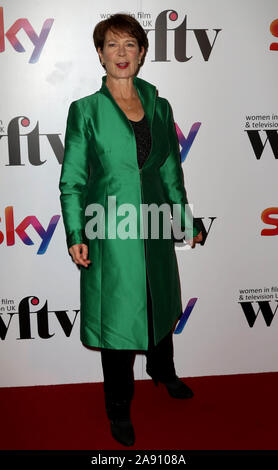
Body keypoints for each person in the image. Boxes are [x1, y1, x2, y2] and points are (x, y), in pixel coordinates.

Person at [59, 13, 202, 447]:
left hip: (155, 224)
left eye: (130, 45)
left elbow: (168, 167)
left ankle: (163, 372)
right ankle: (118, 408)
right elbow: (73, 180)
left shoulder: (159, 105)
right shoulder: (85, 111)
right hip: (110, 230)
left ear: (141, 53)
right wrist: (75, 233)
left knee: (159, 300)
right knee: (117, 319)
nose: (122, 54)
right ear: (100, 54)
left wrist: (184, 216)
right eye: (112, 45)